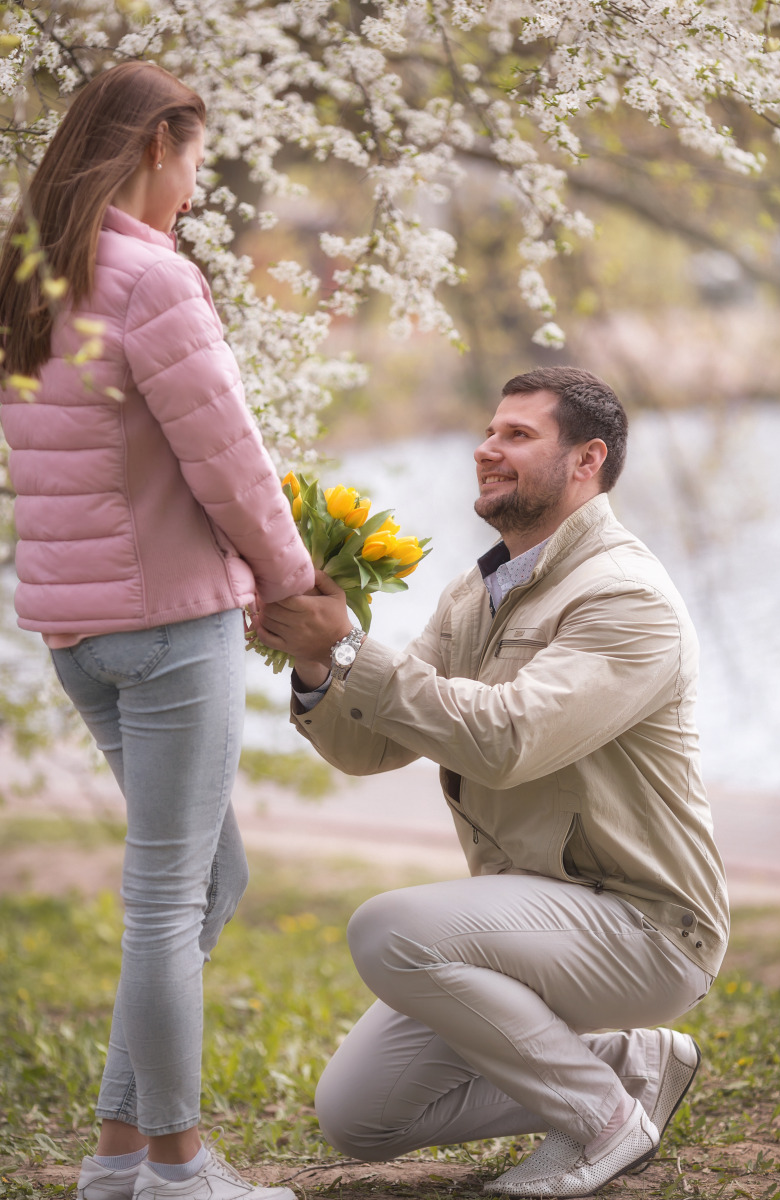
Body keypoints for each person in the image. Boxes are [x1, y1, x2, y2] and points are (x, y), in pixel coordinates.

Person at [255, 366, 729, 1199]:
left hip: (647, 924)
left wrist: (357, 650)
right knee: (362, 1117)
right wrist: (315, 659)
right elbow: (371, 749)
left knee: (391, 929)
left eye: (517, 435)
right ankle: (630, 1061)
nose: (486, 449)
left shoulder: (627, 598)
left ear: (587, 461)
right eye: (488, 431)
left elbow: (507, 741)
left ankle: (604, 1122)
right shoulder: (475, 595)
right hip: (530, 920)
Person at [0, 61, 314, 1200]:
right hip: (173, 627)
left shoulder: (32, 275)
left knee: (208, 880)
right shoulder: (152, 280)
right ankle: (181, 1171)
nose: (193, 187)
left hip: (78, 635)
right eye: (191, 161)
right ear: (150, 149)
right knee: (169, 896)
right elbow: (225, 458)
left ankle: (117, 1158)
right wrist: (291, 579)